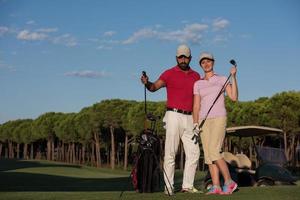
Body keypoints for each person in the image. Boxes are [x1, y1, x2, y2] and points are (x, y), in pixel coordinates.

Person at [140, 44, 201, 195]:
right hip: (173, 115)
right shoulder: (169, 73)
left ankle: (187, 186)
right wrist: (147, 82)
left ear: (190, 58)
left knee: (194, 153)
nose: (183, 59)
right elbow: (154, 87)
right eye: (180, 56)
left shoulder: (196, 76)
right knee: (170, 153)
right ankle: (169, 187)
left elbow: (198, 101)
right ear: (176, 58)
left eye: (185, 56)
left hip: (190, 118)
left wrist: (196, 121)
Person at [193, 52, 238, 195]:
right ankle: (216, 186)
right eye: (203, 62)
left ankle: (229, 182)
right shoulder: (198, 83)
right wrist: (195, 123)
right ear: (201, 65)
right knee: (208, 155)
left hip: (219, 118)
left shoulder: (223, 79)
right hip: (203, 121)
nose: (206, 64)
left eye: (208, 61)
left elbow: (234, 97)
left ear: (213, 62)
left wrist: (234, 77)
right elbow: (196, 106)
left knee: (214, 150)